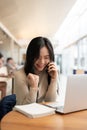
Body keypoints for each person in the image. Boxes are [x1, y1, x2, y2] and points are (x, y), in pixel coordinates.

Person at [14, 36, 59, 105]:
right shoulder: (20, 74)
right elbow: (25, 107)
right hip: (24, 114)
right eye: (37, 57)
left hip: (44, 113)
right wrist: (33, 88)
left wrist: (53, 80)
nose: (42, 62)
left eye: (46, 57)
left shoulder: (50, 72)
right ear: (30, 56)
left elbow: (51, 102)